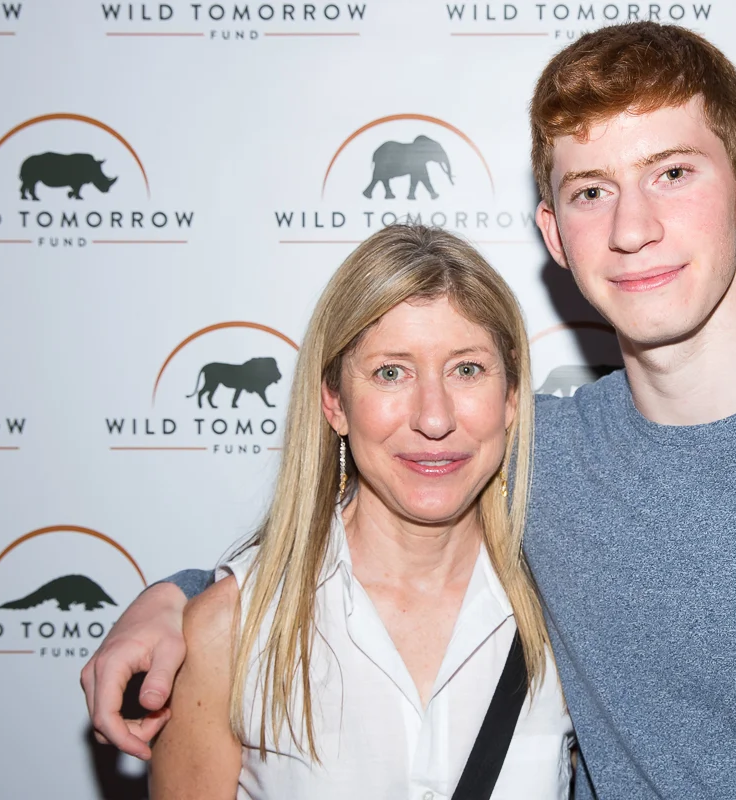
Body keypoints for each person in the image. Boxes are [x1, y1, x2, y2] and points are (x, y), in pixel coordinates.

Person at [82, 21, 736, 799]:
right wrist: (179, 599)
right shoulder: (535, 454)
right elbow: (354, 523)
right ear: (554, 234)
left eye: (673, 173)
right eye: (593, 191)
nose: (634, 226)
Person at [145, 224, 573, 798]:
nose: (434, 418)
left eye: (467, 369)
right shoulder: (229, 632)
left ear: (512, 395)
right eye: (391, 372)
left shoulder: (572, 617)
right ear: (334, 401)